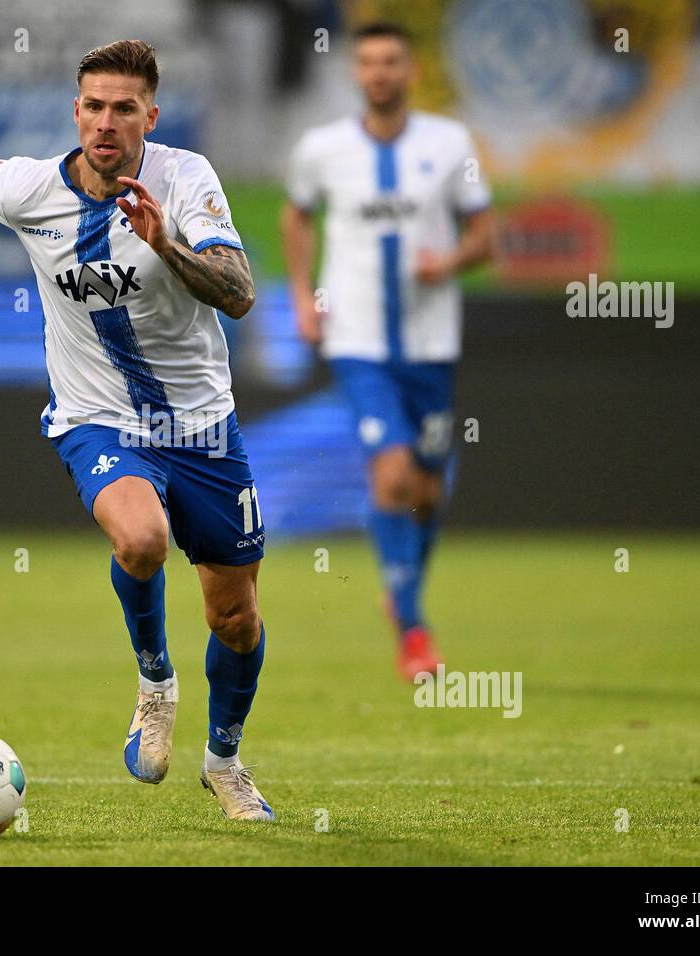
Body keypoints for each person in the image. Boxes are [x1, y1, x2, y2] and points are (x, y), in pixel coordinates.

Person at [0, 40, 275, 821]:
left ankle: (225, 763)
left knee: (235, 619)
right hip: (96, 416)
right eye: (93, 107)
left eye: (124, 109)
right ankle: (155, 686)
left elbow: (238, 293)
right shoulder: (32, 187)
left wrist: (166, 240)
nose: (106, 123)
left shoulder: (185, 178)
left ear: (150, 117)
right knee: (140, 541)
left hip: (202, 427)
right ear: (76, 111)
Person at [281, 22, 495, 682]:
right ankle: (413, 631)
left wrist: (452, 259)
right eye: (368, 61)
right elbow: (297, 216)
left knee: (428, 488)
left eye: (391, 61)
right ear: (355, 72)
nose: (379, 72)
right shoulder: (322, 148)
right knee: (395, 475)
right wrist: (301, 296)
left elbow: (486, 234)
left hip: (432, 343)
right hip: (358, 339)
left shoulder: (450, 142)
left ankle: (400, 589)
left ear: (410, 70)